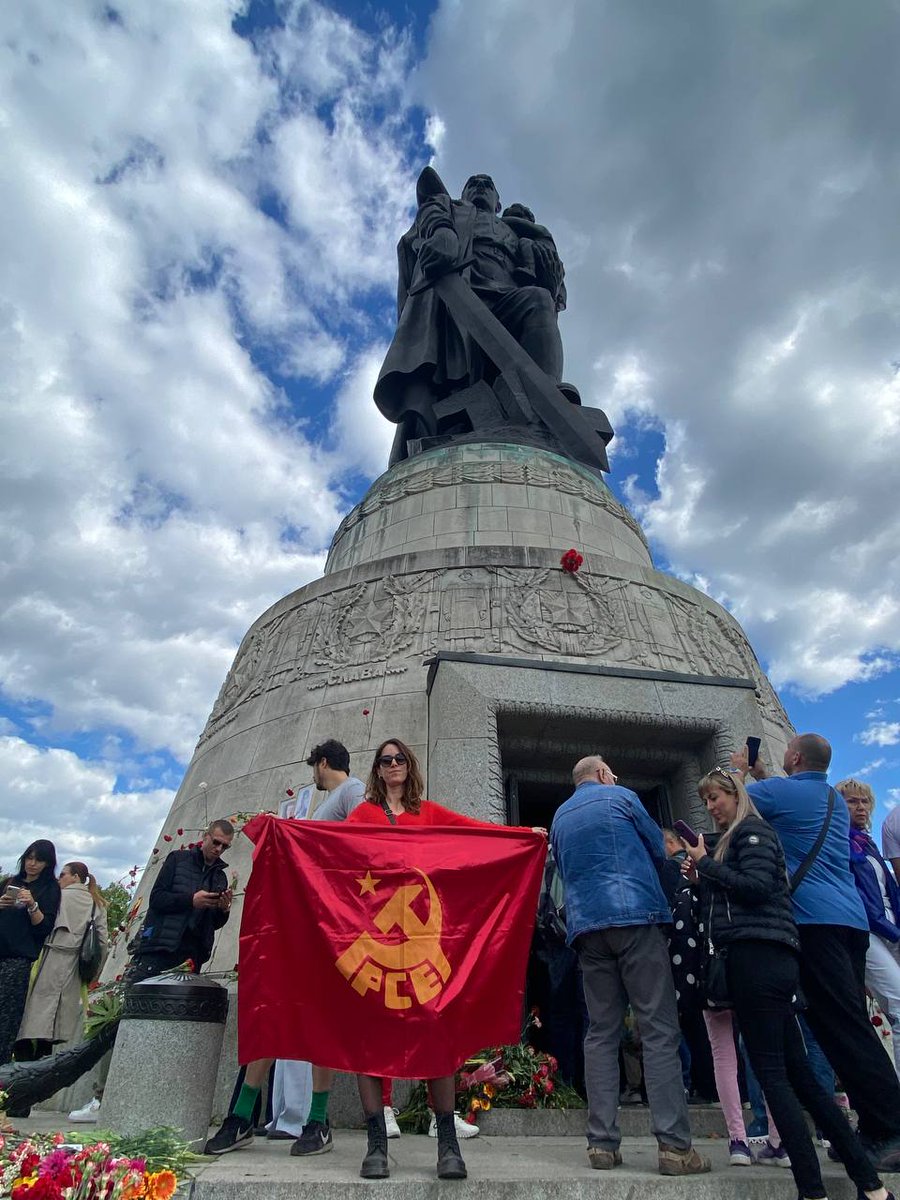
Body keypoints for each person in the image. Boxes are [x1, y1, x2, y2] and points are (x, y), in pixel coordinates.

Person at [681, 766, 895, 1200]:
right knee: (801, 1078)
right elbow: (734, 900)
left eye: (715, 797)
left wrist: (706, 865)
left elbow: (759, 888)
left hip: (759, 960)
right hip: (763, 958)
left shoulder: (753, 832)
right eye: (704, 800)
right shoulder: (737, 840)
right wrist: (703, 878)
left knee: (773, 1076)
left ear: (736, 794)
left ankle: (812, 1190)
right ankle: (871, 1188)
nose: (710, 807)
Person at [345, 737, 544, 1181]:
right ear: (377, 769)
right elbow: (330, 854)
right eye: (384, 760)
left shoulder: (430, 813)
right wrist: (283, 832)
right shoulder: (362, 816)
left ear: (409, 765)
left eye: (399, 759)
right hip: (374, 945)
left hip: (425, 948)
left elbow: (477, 836)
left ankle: (447, 1145)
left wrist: (521, 836)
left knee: (435, 1034)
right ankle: (376, 1145)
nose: (392, 765)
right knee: (368, 1041)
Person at [735, 733, 900, 1169]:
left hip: (815, 923)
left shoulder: (780, 793)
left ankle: (890, 1127)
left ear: (793, 756)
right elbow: (791, 807)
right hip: (851, 922)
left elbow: (731, 803)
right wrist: (763, 774)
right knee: (845, 1023)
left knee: (844, 1028)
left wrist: (738, 768)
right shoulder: (829, 799)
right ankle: (873, 1126)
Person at [206, 740, 370, 1157]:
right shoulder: (328, 800)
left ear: (323, 763)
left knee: (322, 1018)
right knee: (275, 1009)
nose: (313, 775)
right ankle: (242, 1116)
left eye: (314, 767)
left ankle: (318, 1119)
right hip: (304, 917)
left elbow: (360, 841)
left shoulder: (350, 790)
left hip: (329, 920)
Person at [549, 755, 710, 1177]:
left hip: (587, 929)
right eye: (612, 773)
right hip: (636, 917)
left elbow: (562, 868)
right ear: (603, 775)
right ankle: (675, 1147)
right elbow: (658, 848)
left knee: (600, 1033)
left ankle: (601, 1143)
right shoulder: (621, 797)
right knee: (658, 1029)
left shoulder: (560, 816)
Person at [375, 171, 567, 464]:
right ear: (463, 194)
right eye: (473, 184)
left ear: (498, 203)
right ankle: (455, 423)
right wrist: (442, 232)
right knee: (450, 374)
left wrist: (551, 284)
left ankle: (545, 402)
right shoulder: (453, 209)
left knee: (538, 301)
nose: (480, 187)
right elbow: (428, 193)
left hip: (506, 302)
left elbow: (552, 291)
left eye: (487, 185)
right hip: (457, 299)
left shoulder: (518, 233)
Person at [838, 777, 900, 1080]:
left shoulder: (868, 843)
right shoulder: (839, 843)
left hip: (890, 926)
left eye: (864, 801)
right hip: (867, 930)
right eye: (852, 801)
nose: (860, 807)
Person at [16, 862, 109, 1059]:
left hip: (47, 958)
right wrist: (93, 973)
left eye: (63, 875)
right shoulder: (96, 904)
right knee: (53, 1027)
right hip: (74, 965)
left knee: (30, 1017)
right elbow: (102, 942)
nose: (59, 879)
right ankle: (43, 1063)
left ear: (76, 877)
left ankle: (23, 1061)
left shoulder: (57, 896)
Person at [129, 819, 234, 982]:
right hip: (160, 949)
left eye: (225, 846)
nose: (219, 849)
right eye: (216, 842)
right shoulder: (177, 859)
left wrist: (223, 909)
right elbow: (157, 899)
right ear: (205, 836)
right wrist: (191, 900)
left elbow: (213, 924)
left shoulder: (220, 877)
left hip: (192, 955)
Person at [0, 840, 61, 1066]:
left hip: (18, 958)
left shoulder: (50, 889)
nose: (32, 864)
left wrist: (32, 905)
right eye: (29, 858)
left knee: (6, 1017)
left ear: (47, 863)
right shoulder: (9, 883)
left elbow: (44, 927)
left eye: (38, 860)